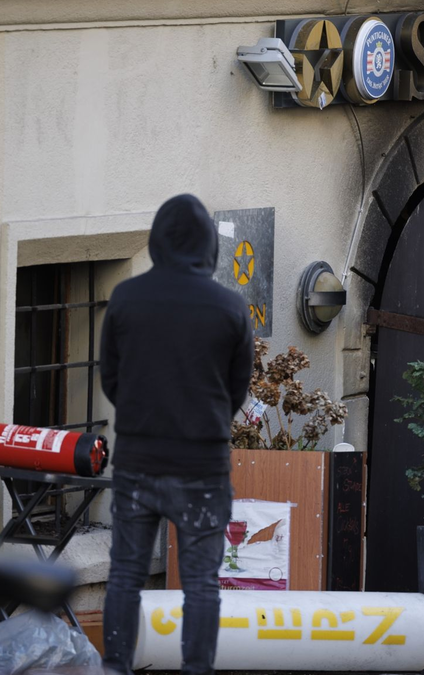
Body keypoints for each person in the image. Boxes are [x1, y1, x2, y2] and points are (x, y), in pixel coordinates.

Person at [100, 194, 254, 675]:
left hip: (137, 463)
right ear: (209, 246)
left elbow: (110, 379)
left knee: (124, 576)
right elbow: (237, 390)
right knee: (201, 585)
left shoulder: (125, 297)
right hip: (202, 470)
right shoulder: (231, 307)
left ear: (157, 241)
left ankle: (116, 668)